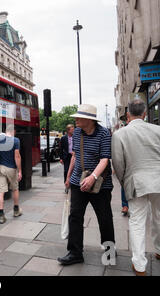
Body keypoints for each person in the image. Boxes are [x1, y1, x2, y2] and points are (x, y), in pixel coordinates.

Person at [58, 104, 115, 266]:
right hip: (78, 180)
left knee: (105, 218)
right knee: (75, 216)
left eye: (78, 117)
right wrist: (68, 177)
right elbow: (75, 155)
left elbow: (105, 159)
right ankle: (75, 252)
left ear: (89, 120)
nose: (75, 120)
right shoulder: (76, 132)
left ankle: (109, 251)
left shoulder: (104, 133)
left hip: (101, 184)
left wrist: (93, 177)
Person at [112, 98, 160, 276]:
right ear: (145, 114)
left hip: (136, 181)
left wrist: (125, 182)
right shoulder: (158, 130)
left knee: (137, 222)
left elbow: (117, 163)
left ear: (128, 115)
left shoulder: (120, 134)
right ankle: (159, 249)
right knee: (159, 217)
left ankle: (139, 266)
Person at [0, 124, 23, 224]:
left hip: (0, 168)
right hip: (11, 169)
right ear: (13, 131)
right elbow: (17, 156)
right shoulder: (15, 140)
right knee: (15, 189)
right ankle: (16, 211)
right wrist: (19, 170)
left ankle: (1, 215)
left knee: (1, 191)